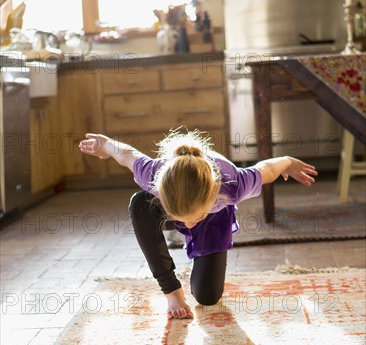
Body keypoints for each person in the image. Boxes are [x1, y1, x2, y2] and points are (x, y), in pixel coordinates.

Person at [79, 128, 318, 321]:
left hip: (215, 216)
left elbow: (266, 168)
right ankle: (171, 290)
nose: (188, 224)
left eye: (194, 218)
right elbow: (126, 154)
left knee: (207, 296)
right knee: (140, 203)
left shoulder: (232, 185)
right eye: (181, 218)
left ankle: (202, 245)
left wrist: (287, 161)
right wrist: (104, 145)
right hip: (178, 194)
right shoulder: (153, 175)